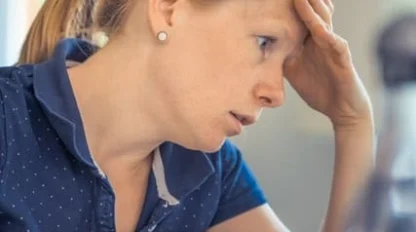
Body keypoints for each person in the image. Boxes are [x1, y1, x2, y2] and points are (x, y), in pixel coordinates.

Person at [0, 0, 374, 231]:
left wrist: (352, 122)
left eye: (287, 62)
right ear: (168, 8)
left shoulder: (209, 171)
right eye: (264, 43)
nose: (276, 94)